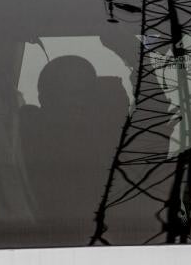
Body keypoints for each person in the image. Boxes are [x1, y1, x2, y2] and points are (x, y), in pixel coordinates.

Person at [19, 55, 128, 241]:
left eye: (86, 93)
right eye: (68, 93)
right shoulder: (29, 137)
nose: (79, 103)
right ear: (44, 98)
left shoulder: (104, 137)